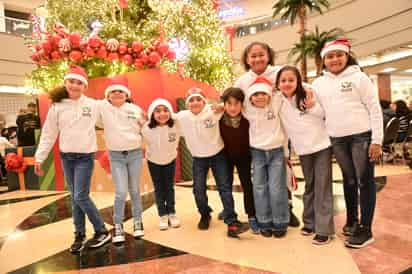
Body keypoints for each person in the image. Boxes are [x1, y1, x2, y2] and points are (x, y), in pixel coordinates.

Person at [312, 38, 384, 248]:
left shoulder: (359, 77)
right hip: (337, 138)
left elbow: (374, 108)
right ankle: (352, 220)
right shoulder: (318, 83)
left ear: (347, 56)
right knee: (349, 180)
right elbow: (319, 112)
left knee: (364, 180)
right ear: (323, 60)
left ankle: (366, 229)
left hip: (361, 136)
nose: (334, 59)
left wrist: (376, 140)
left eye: (339, 55)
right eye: (330, 56)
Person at [34, 65, 111, 253]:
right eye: (71, 81)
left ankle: (102, 231)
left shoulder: (93, 105)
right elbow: (48, 134)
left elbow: (111, 117)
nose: (74, 85)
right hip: (67, 157)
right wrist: (39, 157)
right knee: (75, 197)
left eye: (79, 82)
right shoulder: (57, 107)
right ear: (65, 83)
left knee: (80, 195)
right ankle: (79, 234)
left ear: (84, 86)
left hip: (85, 157)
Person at [234, 41, 300, 228]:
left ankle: (287, 210)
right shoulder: (242, 81)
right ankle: (264, 215)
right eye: (253, 56)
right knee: (261, 182)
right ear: (247, 59)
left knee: (281, 178)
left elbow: (295, 88)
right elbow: (233, 103)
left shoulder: (279, 73)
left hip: (278, 134)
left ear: (269, 55)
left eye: (261, 54)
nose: (257, 59)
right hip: (255, 139)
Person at [175, 87, 249, 238]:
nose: (195, 103)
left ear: (204, 101)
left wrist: (222, 105)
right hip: (198, 159)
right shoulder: (182, 117)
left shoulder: (213, 111)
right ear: (187, 103)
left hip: (218, 155)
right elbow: (163, 116)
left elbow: (228, 106)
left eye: (198, 99)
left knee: (225, 188)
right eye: (191, 100)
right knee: (198, 189)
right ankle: (205, 214)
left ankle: (232, 222)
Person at [277, 65, 334, 245]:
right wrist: (286, 153)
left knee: (322, 186)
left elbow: (324, 115)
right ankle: (309, 222)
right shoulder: (278, 101)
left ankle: (324, 230)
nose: (287, 83)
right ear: (278, 83)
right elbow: (284, 131)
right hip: (303, 150)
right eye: (283, 80)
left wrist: (312, 106)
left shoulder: (309, 92)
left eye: (291, 80)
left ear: (298, 81)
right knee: (310, 185)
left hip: (322, 146)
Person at [99, 76, 145, 243]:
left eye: (121, 91)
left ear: (127, 95)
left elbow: (145, 126)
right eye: (113, 91)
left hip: (134, 154)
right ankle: (118, 224)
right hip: (115, 156)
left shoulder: (135, 109)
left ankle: (138, 221)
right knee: (120, 192)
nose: (117, 93)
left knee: (134, 190)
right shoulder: (102, 107)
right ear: (108, 95)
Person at [243, 76, 289, 238]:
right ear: (250, 98)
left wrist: (274, 87)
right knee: (259, 188)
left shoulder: (275, 104)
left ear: (269, 95)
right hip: (257, 153)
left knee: (277, 188)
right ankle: (264, 221)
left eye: (263, 93)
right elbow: (232, 103)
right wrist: (220, 106)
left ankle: (281, 221)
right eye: (255, 95)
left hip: (276, 152)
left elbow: (286, 90)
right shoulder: (247, 109)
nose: (260, 97)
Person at [219, 87, 259, 234]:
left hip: (244, 157)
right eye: (229, 104)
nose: (233, 107)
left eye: (236, 104)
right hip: (225, 158)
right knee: (225, 186)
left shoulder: (247, 120)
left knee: (247, 185)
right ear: (224, 105)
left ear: (242, 105)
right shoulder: (219, 119)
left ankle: (252, 215)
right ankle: (228, 212)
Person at [142, 99, 181, 231]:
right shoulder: (146, 127)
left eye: (165, 110)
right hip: (154, 162)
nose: (162, 114)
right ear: (152, 114)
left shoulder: (176, 125)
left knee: (169, 188)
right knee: (159, 188)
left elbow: (184, 116)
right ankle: (163, 215)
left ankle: (172, 213)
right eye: (157, 111)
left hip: (170, 160)